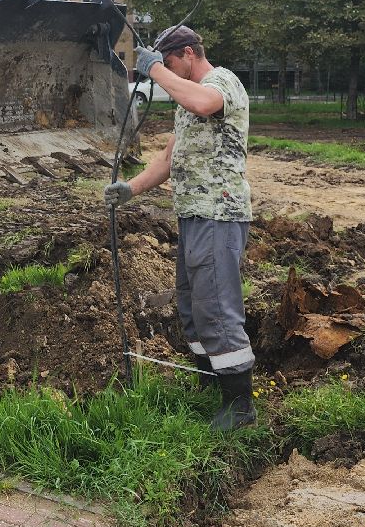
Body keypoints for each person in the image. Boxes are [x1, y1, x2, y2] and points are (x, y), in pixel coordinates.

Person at [105, 25, 255, 431]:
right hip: (193, 216)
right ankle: (212, 384)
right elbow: (170, 158)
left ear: (188, 54)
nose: (167, 72)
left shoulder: (221, 82)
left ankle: (240, 405)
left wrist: (155, 71)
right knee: (192, 305)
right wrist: (129, 189)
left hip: (219, 214)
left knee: (216, 306)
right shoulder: (186, 101)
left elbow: (206, 103)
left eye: (170, 63)